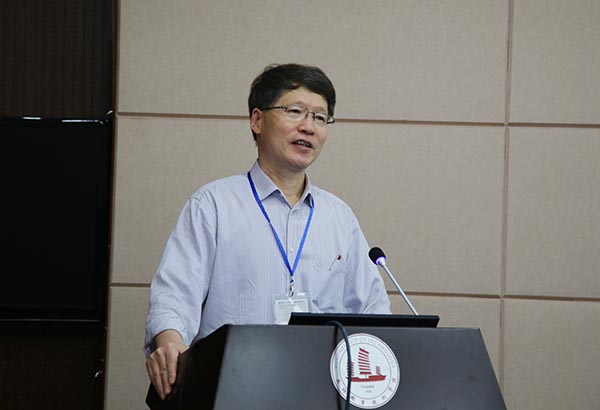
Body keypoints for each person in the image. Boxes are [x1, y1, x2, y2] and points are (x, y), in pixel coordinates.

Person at [144, 63, 391, 399]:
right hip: (232, 389)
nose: (309, 127)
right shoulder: (213, 205)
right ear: (257, 120)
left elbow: (373, 314)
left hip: (319, 393)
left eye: (320, 117)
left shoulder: (340, 218)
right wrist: (170, 340)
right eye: (295, 111)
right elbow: (174, 296)